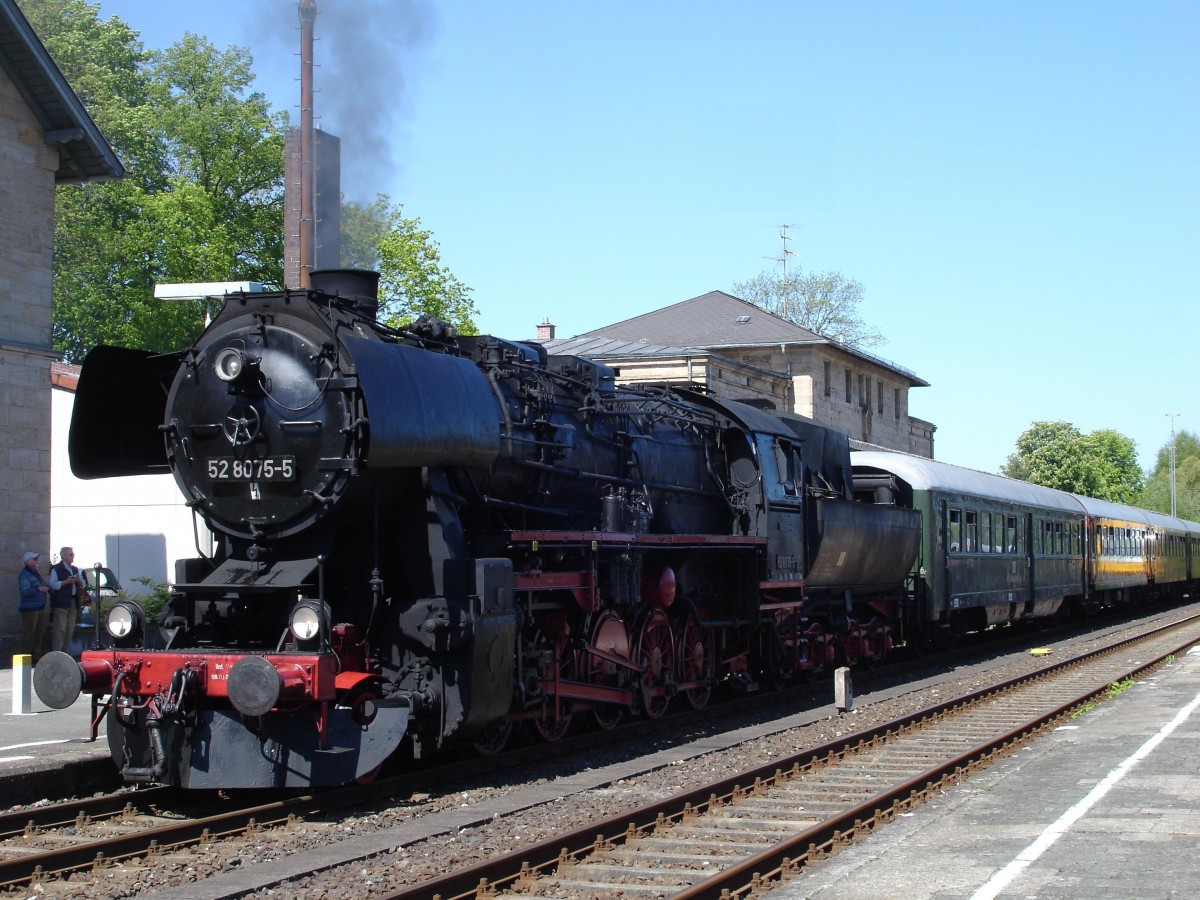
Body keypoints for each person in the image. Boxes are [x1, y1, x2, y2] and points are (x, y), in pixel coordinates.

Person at [49, 546, 90, 655]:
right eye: (71, 554)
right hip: (61, 601)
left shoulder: (75, 569)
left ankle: (65, 651)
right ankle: (57, 652)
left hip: (73, 601)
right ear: (64, 556)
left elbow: (83, 585)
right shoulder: (56, 569)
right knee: (60, 628)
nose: (73, 556)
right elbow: (52, 585)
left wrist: (79, 581)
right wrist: (65, 582)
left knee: (70, 628)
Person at [18, 550, 51, 661]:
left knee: (39, 633)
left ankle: (36, 657)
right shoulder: (25, 575)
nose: (37, 561)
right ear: (28, 561)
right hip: (30, 609)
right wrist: (40, 589)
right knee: (29, 634)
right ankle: (25, 658)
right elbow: (25, 592)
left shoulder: (35, 574)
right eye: (34, 559)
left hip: (40, 608)